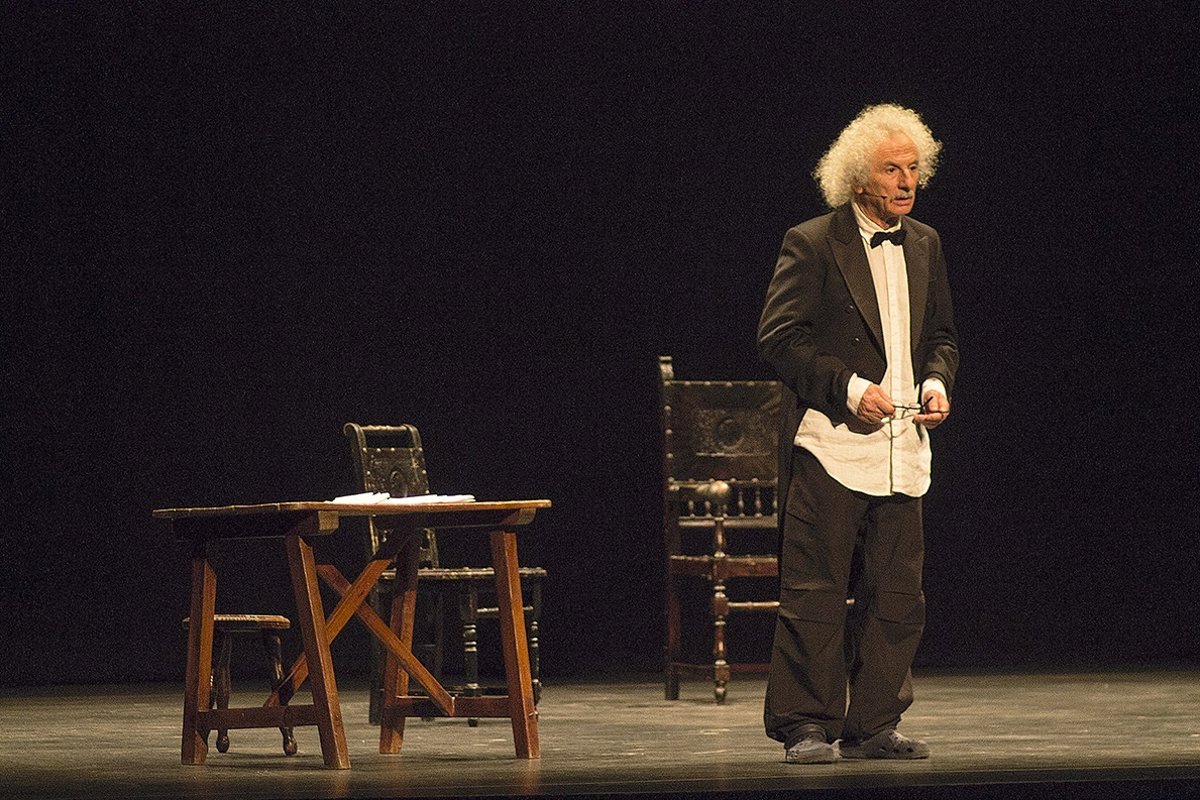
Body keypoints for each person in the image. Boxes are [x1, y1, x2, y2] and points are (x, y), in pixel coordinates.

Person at [757, 104, 959, 764]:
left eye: (914, 169)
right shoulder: (813, 241)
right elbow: (780, 338)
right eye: (892, 169)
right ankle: (805, 724)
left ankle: (874, 723)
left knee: (897, 596)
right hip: (834, 443)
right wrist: (848, 387)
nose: (907, 181)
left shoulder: (924, 243)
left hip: (904, 448)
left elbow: (942, 337)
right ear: (858, 178)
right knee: (814, 591)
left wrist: (936, 382)